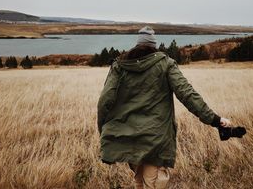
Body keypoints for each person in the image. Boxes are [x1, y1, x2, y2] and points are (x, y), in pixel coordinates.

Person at [97, 26, 231, 189]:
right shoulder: (165, 64)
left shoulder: (120, 65)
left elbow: (104, 100)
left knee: (140, 180)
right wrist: (215, 119)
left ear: (138, 44)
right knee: (152, 183)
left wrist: (103, 129)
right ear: (153, 45)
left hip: (129, 136)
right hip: (157, 138)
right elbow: (187, 94)